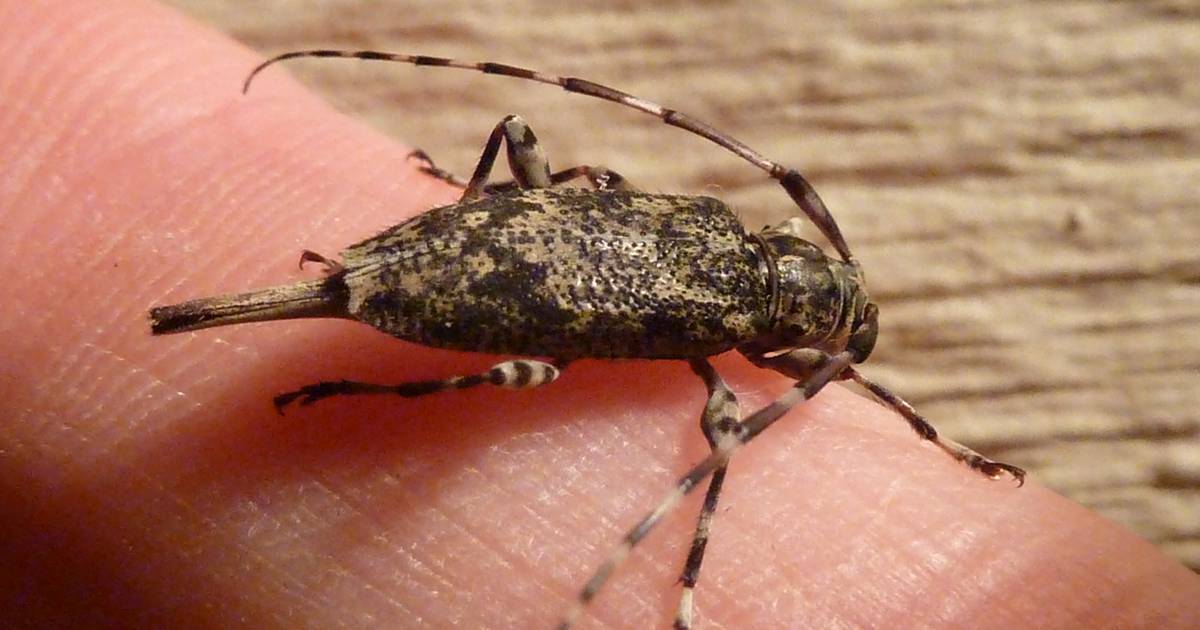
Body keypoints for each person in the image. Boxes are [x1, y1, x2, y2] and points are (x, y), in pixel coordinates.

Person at [2, 1, 1197, 626]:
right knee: (511, 372)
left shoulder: (721, 244)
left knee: (542, 158)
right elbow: (788, 392)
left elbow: (587, 192)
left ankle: (366, 318)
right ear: (792, 331)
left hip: (471, 254)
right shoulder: (725, 337)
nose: (819, 361)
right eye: (821, 350)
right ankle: (371, 364)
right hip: (463, 279)